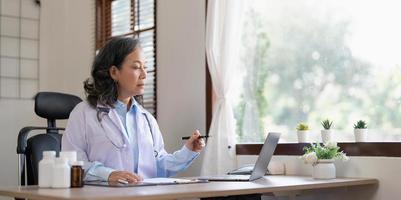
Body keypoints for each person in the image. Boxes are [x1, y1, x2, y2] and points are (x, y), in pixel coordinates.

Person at [62, 37, 205, 183]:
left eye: (145, 67)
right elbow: (71, 164)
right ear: (114, 72)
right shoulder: (83, 114)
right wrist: (107, 175)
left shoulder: (147, 119)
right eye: (136, 67)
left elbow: (158, 167)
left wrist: (188, 152)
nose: (144, 74)